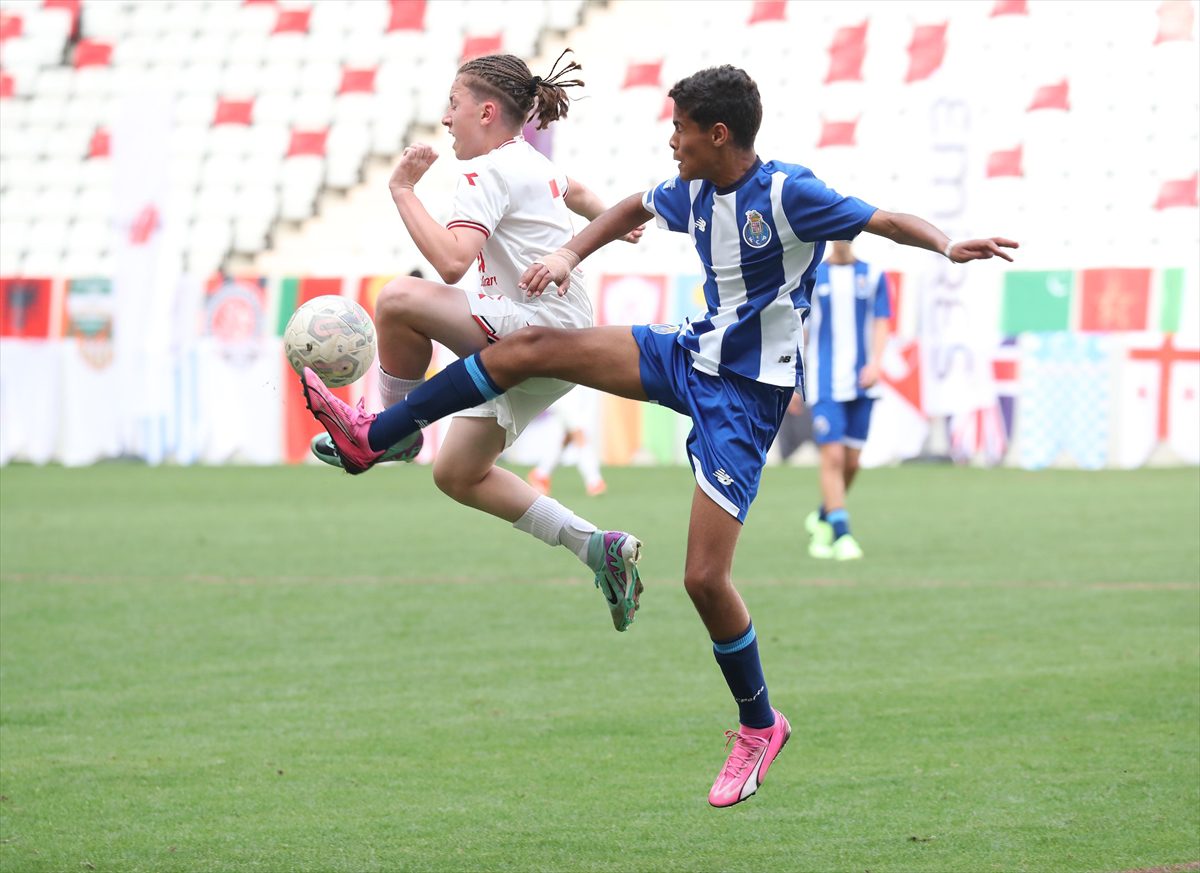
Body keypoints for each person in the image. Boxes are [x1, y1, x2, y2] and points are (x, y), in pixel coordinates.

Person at [300, 65, 1018, 807]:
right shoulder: (692, 189)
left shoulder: (788, 192)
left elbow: (882, 220)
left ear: (716, 134)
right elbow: (628, 206)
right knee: (527, 350)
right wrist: (571, 253)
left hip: (745, 398)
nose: (668, 140)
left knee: (705, 579)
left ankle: (759, 722)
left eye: (678, 128)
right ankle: (376, 434)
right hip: (686, 353)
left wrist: (947, 243)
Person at [310, 50, 646, 633]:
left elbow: (450, 263)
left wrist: (403, 191)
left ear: (487, 111)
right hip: (562, 338)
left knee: (396, 301)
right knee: (458, 474)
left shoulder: (486, 170)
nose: (446, 119)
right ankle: (597, 548)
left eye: (454, 105)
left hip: (534, 331)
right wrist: (622, 223)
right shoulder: (529, 161)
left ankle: (390, 434)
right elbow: (577, 190)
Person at [802, 240, 890, 560]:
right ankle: (841, 534)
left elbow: (881, 321)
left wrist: (877, 363)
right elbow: (803, 328)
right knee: (834, 459)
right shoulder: (812, 275)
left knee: (852, 462)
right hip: (825, 384)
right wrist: (797, 379)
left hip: (862, 382)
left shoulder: (874, 274)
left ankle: (823, 516)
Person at [525, 386, 607, 497]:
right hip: (565, 389)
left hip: (579, 390)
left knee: (568, 437)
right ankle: (594, 480)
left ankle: (541, 473)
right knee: (579, 433)